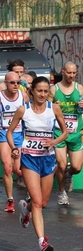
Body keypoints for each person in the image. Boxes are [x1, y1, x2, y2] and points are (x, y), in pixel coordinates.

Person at [7, 76, 67, 251]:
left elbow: (64, 133)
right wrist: (14, 148)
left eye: (45, 91)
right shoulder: (23, 110)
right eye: (39, 91)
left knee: (44, 203)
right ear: (32, 90)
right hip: (29, 159)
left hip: (47, 158)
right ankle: (42, 242)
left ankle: (26, 210)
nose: (42, 94)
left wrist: (54, 143)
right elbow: (10, 132)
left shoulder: (54, 109)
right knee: (38, 202)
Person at [0, 71, 29, 212]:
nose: (16, 85)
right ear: (5, 83)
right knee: (7, 167)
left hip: (19, 134)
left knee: (18, 169)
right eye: (12, 82)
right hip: (4, 133)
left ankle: (31, 193)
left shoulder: (23, 96)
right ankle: (10, 199)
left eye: (18, 82)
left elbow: (31, 112)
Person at [49, 61, 83, 205]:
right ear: (63, 71)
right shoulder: (54, 89)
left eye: (74, 73)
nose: (72, 75)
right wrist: (52, 107)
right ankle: (62, 193)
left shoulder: (80, 88)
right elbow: (46, 109)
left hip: (75, 133)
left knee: (76, 167)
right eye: (69, 72)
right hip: (59, 132)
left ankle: (69, 175)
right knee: (61, 165)